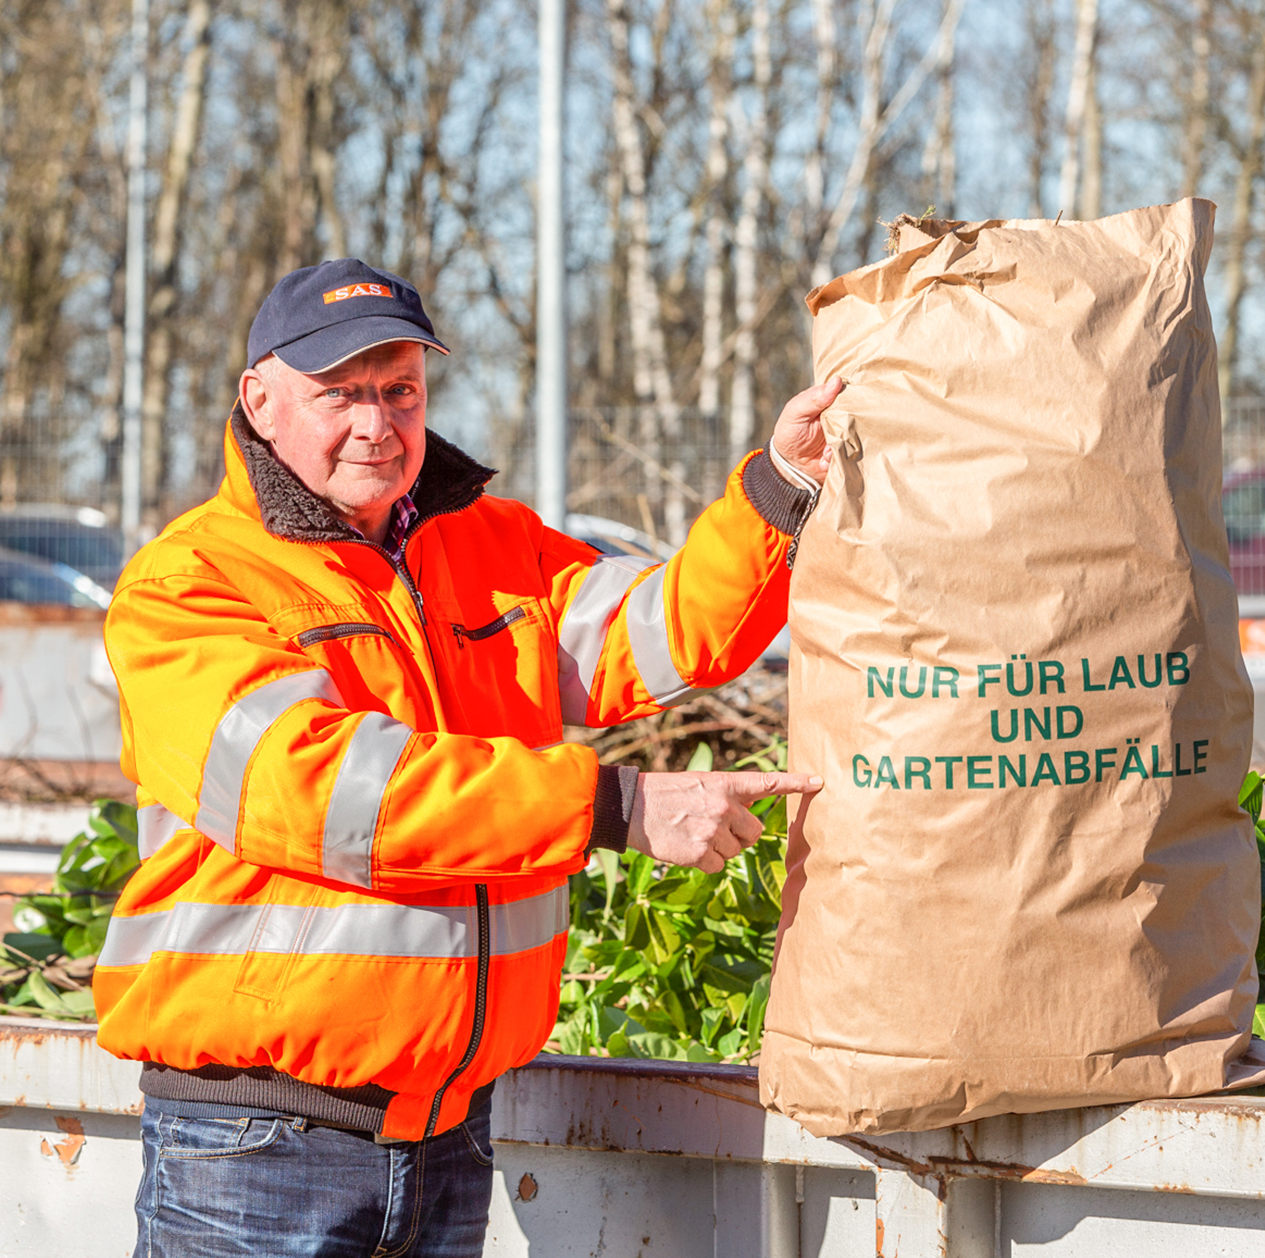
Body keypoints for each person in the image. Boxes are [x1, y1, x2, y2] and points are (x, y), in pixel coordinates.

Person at [94, 258, 839, 1257]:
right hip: (256, 1145)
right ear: (259, 401)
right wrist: (611, 807)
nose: (376, 422)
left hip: (448, 1136)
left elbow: (654, 633)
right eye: (339, 393)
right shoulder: (189, 585)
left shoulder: (487, 546)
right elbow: (328, 793)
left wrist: (782, 488)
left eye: (399, 389)